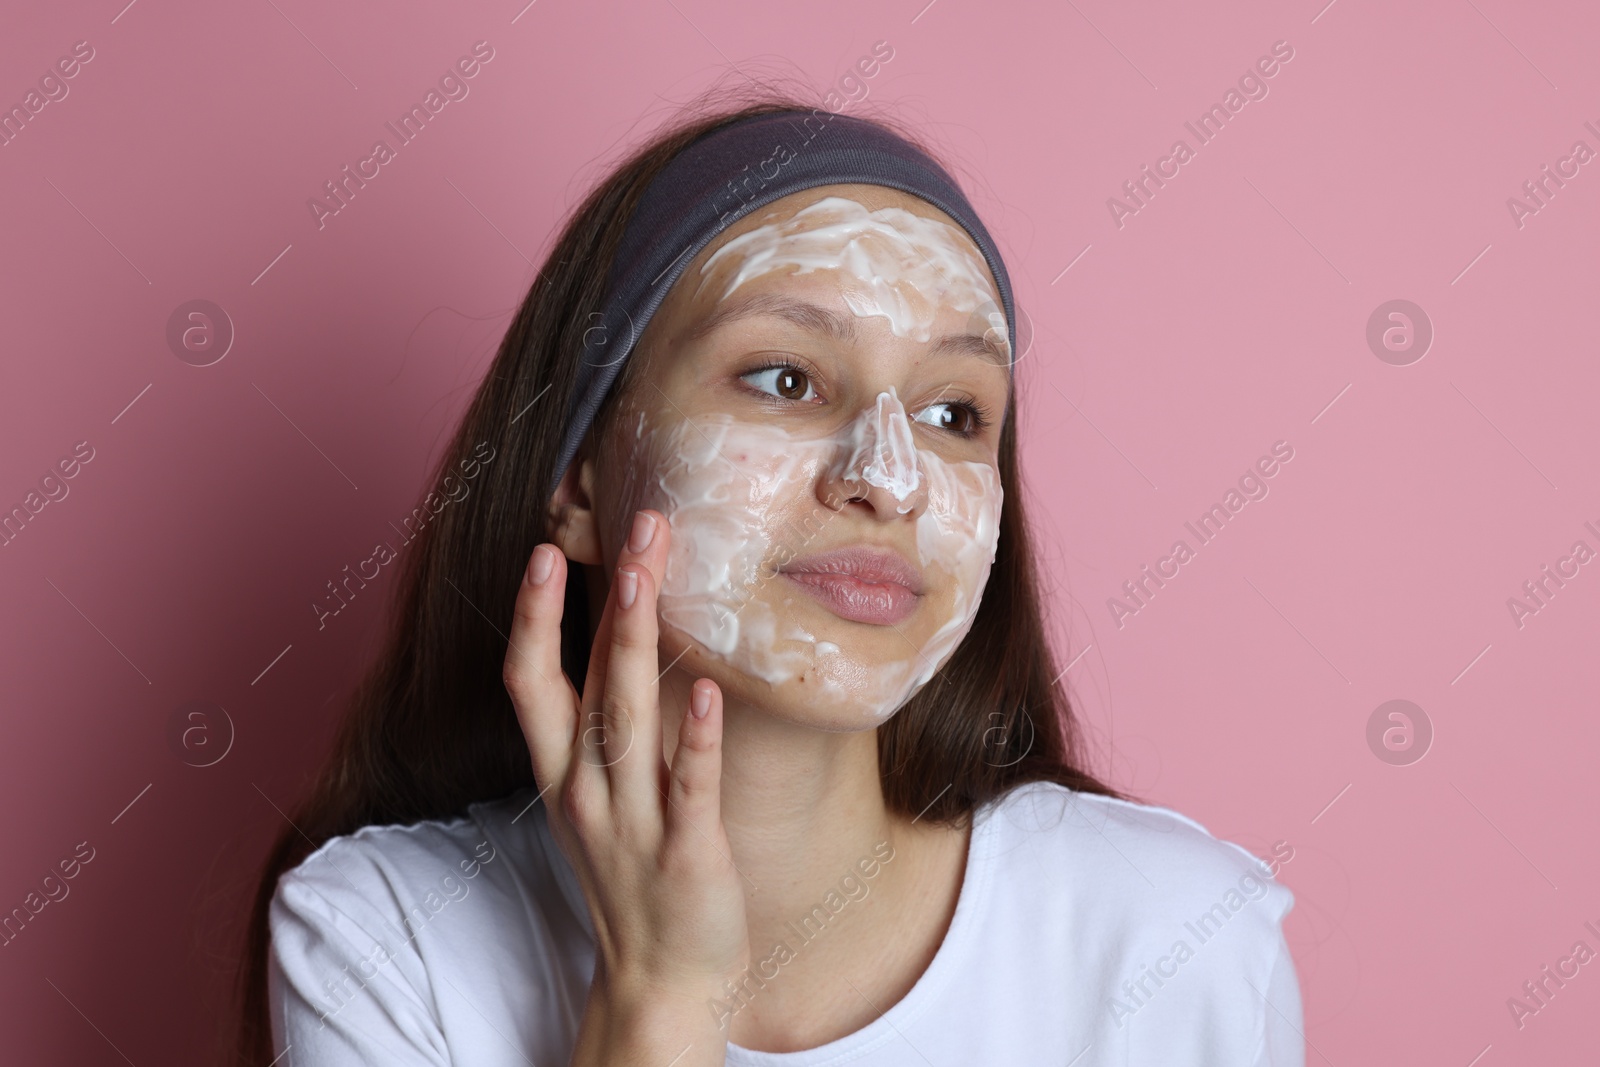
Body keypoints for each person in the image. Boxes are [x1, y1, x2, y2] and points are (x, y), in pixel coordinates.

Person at [234, 92, 1305, 1066]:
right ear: (574, 476)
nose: (891, 481)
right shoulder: (388, 941)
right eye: (786, 378)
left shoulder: (1178, 941)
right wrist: (662, 999)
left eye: (954, 413)